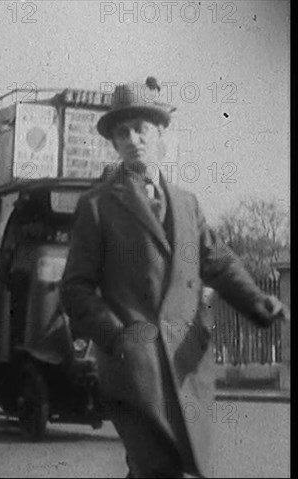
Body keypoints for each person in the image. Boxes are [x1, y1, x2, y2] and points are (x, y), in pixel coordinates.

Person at [60, 77, 289, 478]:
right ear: (114, 143)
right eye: (122, 132)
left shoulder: (187, 204)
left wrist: (258, 301)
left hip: (186, 362)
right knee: (157, 467)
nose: (133, 139)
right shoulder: (97, 207)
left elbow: (218, 262)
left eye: (141, 129)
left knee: (184, 467)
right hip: (135, 368)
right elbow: (75, 290)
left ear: (160, 132)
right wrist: (117, 336)